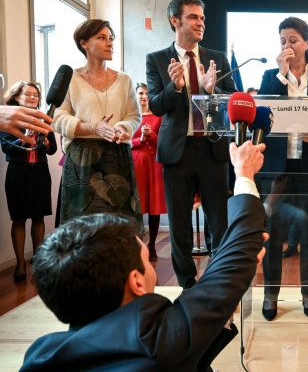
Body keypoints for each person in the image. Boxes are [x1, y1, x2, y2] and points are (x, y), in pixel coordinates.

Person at [20, 140, 267, 372]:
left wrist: (234, 270)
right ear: (136, 282)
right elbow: (243, 240)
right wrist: (244, 173)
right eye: (146, 259)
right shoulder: (158, 342)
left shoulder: (40, 356)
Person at [146, 0, 236, 289]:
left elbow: (234, 103)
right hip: (177, 151)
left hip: (212, 150)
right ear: (176, 21)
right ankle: (187, 284)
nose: (201, 24)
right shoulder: (157, 59)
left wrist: (213, 91)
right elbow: (157, 106)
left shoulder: (218, 58)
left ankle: (217, 281)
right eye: (194, 18)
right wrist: (175, 87)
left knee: (218, 223)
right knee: (180, 226)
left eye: (203, 18)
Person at [257, 16, 308, 321]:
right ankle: (270, 294)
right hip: (276, 167)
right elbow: (261, 117)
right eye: (282, 41)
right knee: (273, 234)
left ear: (306, 42)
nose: (287, 46)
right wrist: (280, 75)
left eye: (292, 40)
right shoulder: (269, 76)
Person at [53, 19, 143, 234]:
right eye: (101, 38)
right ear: (84, 43)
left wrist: (122, 128)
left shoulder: (125, 80)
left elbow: (133, 115)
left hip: (117, 155)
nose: (109, 43)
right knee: (82, 223)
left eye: (110, 38)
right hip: (82, 157)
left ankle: (119, 266)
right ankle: (82, 267)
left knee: (118, 219)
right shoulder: (69, 78)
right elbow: (57, 117)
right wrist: (94, 128)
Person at [0, 81, 57, 282]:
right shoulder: (9, 119)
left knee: (39, 217)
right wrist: (24, 139)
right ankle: (20, 264)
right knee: (19, 218)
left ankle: (38, 261)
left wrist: (47, 143)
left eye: (36, 95)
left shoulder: (43, 119)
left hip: (40, 173)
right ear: (16, 97)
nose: (33, 97)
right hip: (17, 173)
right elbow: (6, 148)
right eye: (28, 94)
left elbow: (52, 150)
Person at [131, 82, 167, 262]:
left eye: (146, 93)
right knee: (137, 206)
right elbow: (126, 141)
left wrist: (151, 135)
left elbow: (164, 142)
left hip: (154, 166)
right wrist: (141, 139)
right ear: (135, 95)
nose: (144, 96)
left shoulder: (159, 117)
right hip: (137, 165)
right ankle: (136, 245)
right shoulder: (131, 117)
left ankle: (152, 245)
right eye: (140, 93)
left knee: (154, 207)